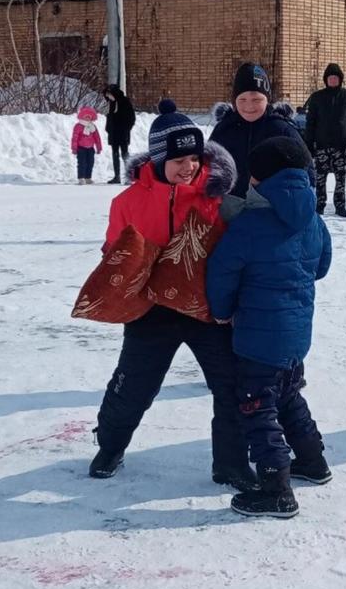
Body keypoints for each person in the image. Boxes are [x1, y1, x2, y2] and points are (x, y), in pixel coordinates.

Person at [90, 103, 257, 493]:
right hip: (153, 310)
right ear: (159, 159)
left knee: (230, 385)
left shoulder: (217, 198)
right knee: (133, 385)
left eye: (194, 158)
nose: (188, 167)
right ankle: (110, 446)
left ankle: (231, 463)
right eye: (178, 159)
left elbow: (236, 253)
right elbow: (114, 250)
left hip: (205, 309)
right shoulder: (128, 203)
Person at [206, 135, 332, 518]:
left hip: (258, 341)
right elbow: (322, 267)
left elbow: (222, 272)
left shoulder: (248, 224)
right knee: (289, 396)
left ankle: (276, 486)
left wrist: (222, 310)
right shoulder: (313, 219)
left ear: (258, 180)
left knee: (256, 407)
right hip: (296, 336)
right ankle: (313, 460)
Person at [210, 62, 312, 199]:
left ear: (267, 99)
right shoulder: (224, 130)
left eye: (256, 99)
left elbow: (307, 172)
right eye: (242, 99)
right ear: (234, 100)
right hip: (229, 210)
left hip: (271, 209)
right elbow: (206, 168)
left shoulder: (282, 130)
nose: (249, 106)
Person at [304, 63, 346, 217]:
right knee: (320, 178)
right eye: (330, 78)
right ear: (326, 80)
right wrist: (309, 144)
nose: (333, 80)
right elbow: (311, 123)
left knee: (341, 178)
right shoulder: (317, 97)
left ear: (340, 79)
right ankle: (320, 204)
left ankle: (340, 205)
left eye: (335, 77)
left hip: (341, 147)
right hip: (321, 145)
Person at [104, 84, 136, 184]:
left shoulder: (125, 101)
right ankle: (117, 176)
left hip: (122, 132)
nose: (108, 97)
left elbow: (131, 117)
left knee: (124, 154)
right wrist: (108, 128)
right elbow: (111, 117)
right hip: (113, 133)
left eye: (109, 95)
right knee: (115, 154)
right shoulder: (112, 102)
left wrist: (127, 129)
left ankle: (129, 177)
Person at [71, 106, 103, 184]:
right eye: (86, 117)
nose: (88, 118)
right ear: (82, 116)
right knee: (82, 163)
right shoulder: (78, 126)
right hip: (81, 148)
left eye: (89, 117)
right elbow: (75, 138)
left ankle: (88, 177)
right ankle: (81, 178)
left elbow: (97, 137)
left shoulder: (93, 127)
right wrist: (74, 148)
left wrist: (99, 147)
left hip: (90, 148)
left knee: (90, 163)